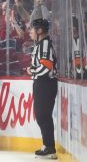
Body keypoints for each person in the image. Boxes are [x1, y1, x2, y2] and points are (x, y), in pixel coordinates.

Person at [26, 18, 58, 159]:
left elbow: (46, 66)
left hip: (45, 83)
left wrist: (33, 71)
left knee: (43, 116)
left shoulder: (44, 44)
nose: (30, 31)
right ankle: (48, 145)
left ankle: (49, 147)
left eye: (32, 29)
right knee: (42, 116)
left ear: (39, 31)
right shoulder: (40, 44)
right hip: (42, 83)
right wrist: (33, 69)